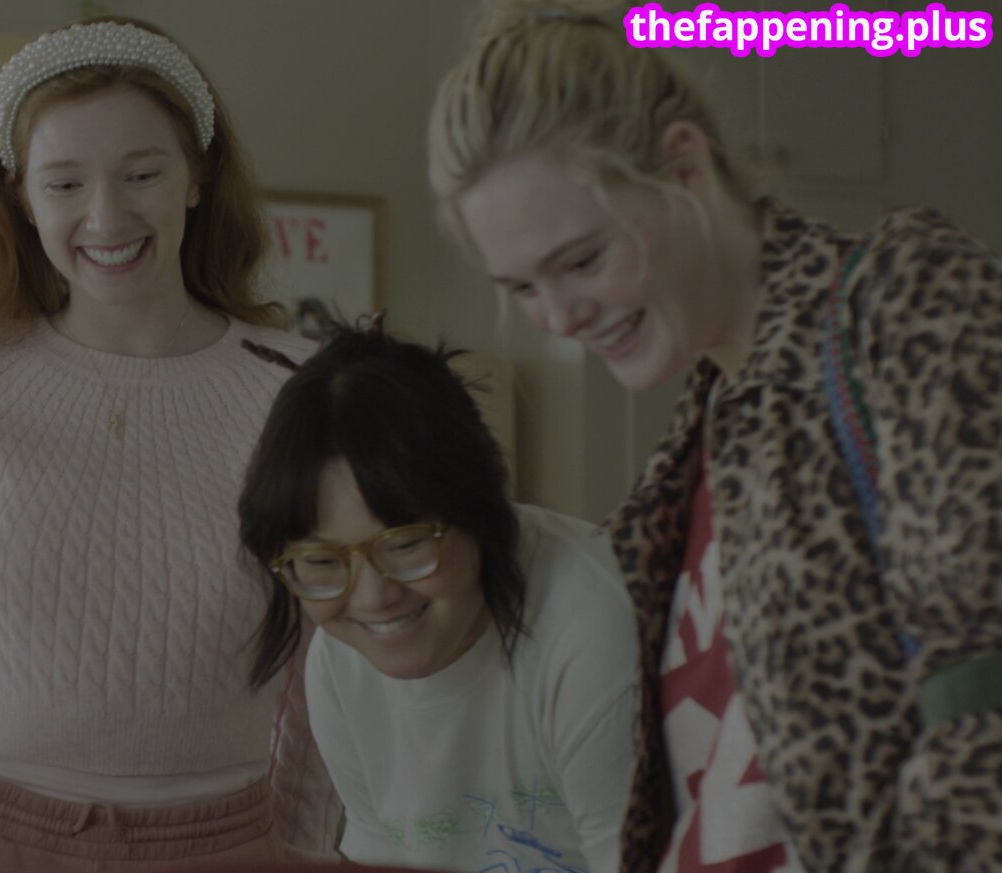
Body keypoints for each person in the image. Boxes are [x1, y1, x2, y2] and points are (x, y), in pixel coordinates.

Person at [428, 2, 1002, 869]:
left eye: (582, 260)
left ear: (686, 168)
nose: (560, 317)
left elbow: (984, 727)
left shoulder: (904, 304)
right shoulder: (701, 440)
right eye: (523, 288)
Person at [0, 16, 339, 873]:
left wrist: (295, 849)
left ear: (196, 176)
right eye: (64, 182)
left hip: (225, 841)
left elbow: (324, 682)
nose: (105, 216)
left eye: (142, 173)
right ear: (21, 197)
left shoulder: (301, 390)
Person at [240, 323, 637, 873]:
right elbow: (379, 853)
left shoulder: (592, 637)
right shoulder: (340, 663)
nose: (373, 598)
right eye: (323, 563)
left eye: (405, 545)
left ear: (484, 501)